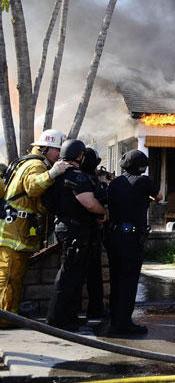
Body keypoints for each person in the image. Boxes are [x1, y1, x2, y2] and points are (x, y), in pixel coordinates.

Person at [0, 129, 69, 328]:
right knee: (8, 278)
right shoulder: (36, 165)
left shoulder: (30, 162)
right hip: (12, 232)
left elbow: (32, 199)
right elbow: (33, 186)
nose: (59, 155)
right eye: (57, 150)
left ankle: (10, 315)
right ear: (46, 148)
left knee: (15, 277)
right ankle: (4, 319)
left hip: (17, 232)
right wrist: (54, 173)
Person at [46, 139, 107, 331]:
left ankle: (69, 317)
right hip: (75, 230)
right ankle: (57, 319)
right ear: (79, 156)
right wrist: (103, 212)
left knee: (74, 275)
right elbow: (89, 203)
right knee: (68, 275)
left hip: (67, 227)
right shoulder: (77, 177)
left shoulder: (56, 176)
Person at [106, 149, 162, 336]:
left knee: (116, 279)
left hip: (113, 236)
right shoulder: (144, 181)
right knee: (128, 282)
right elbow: (159, 197)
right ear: (142, 167)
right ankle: (124, 324)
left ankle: (115, 318)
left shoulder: (114, 183)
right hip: (131, 239)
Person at [80, 147, 109, 320]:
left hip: (78, 232)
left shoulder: (77, 178)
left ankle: (72, 311)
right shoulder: (90, 180)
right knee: (93, 274)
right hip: (90, 232)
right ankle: (95, 309)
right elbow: (100, 200)